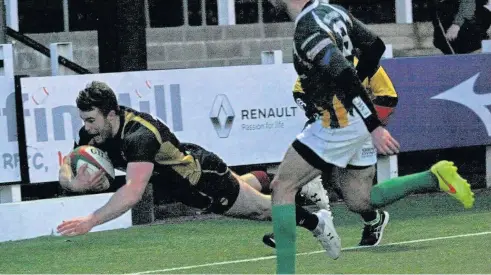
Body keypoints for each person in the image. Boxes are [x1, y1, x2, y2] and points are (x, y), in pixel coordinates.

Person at [266, 0, 474, 273]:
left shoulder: (308, 27)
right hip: (352, 120)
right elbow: (375, 46)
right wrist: (364, 114)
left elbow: (345, 76)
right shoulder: (333, 11)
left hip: (337, 122)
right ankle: (433, 176)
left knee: (283, 187)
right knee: (360, 200)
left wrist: (373, 125)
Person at [56, 81, 337, 250]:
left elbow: (132, 193)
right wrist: (72, 182)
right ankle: (290, 182)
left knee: (263, 209)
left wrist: (91, 220)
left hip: (202, 181)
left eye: (91, 120)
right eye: (84, 120)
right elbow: (68, 161)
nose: (86, 127)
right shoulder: (94, 132)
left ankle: (316, 222)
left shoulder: (138, 137)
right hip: (184, 175)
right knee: (246, 187)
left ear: (112, 114)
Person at [262, 53, 399, 249]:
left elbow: (388, 96)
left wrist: (370, 123)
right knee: (290, 178)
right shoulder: (317, 62)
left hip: (359, 133)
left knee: (355, 198)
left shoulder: (367, 64)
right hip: (328, 129)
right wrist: (315, 112)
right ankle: (283, 230)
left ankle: (373, 219)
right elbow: (299, 92)